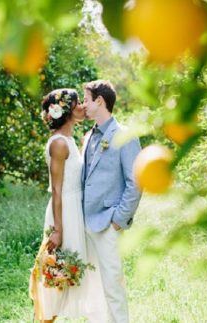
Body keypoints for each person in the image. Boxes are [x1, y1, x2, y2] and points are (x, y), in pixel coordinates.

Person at [29, 88, 107, 323]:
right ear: (66, 110)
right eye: (77, 104)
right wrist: (58, 230)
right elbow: (57, 190)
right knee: (57, 277)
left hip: (76, 212)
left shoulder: (70, 141)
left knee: (70, 274)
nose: (82, 107)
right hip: (64, 214)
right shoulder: (59, 145)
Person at [82, 80, 142, 323]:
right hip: (85, 223)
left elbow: (136, 181)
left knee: (113, 287)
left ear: (99, 101)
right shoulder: (89, 136)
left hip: (108, 224)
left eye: (86, 100)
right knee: (93, 289)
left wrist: (118, 220)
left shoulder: (125, 136)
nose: (84, 105)